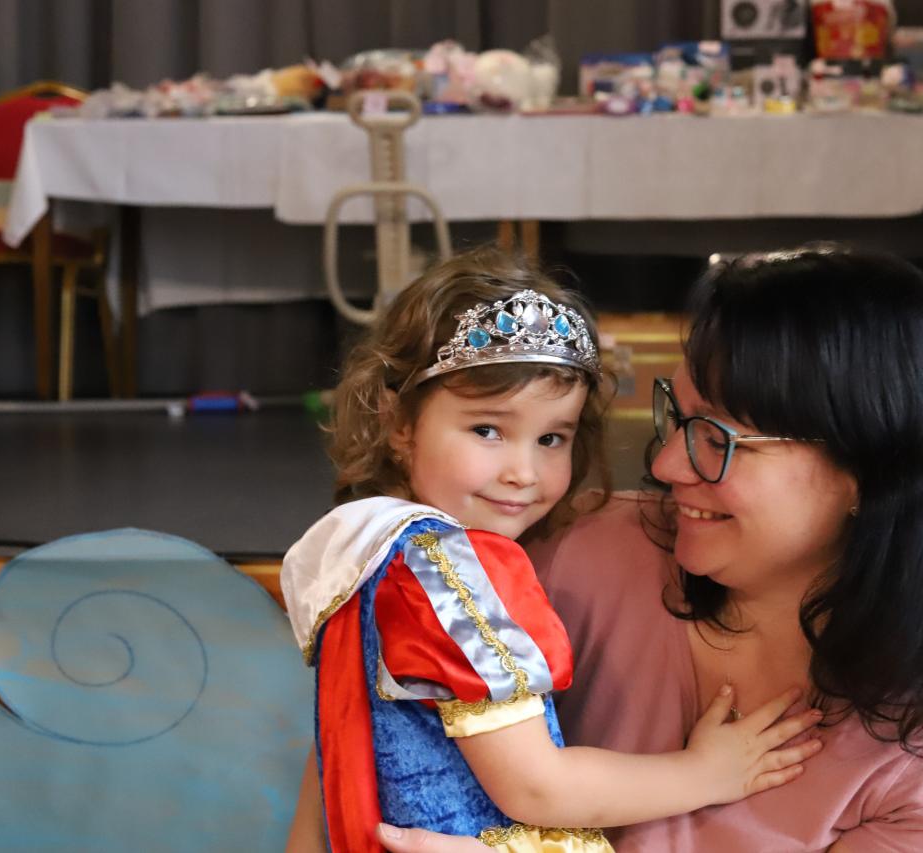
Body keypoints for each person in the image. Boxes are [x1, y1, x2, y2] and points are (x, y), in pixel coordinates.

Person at [357, 244, 923, 853]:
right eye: (678, 418)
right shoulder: (576, 559)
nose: (666, 466)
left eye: (719, 440)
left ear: (867, 474)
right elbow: (356, 760)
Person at [281, 247, 823, 853]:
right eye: (487, 429)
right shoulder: (450, 572)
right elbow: (536, 789)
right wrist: (706, 773)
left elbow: (331, 759)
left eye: (551, 438)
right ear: (398, 422)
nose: (523, 472)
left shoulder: (367, 550)